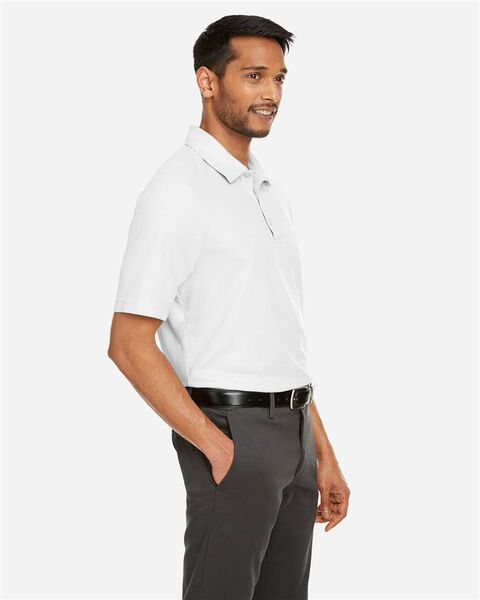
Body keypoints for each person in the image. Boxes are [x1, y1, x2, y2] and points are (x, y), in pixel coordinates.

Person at [108, 14, 350, 600]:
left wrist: (321, 452)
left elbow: (279, 338)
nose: (271, 94)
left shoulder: (267, 191)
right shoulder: (178, 191)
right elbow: (128, 342)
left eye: (279, 78)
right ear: (208, 81)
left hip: (294, 431)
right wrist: (217, 449)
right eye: (254, 76)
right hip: (231, 431)